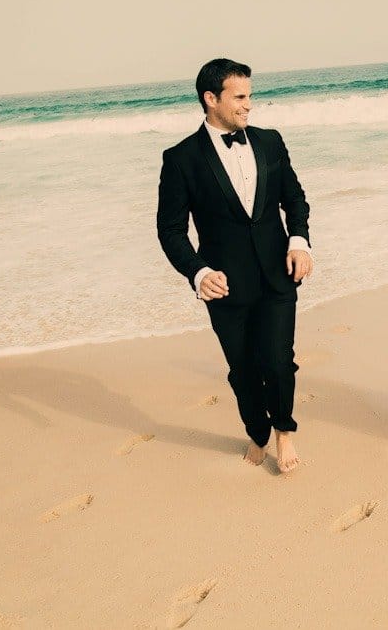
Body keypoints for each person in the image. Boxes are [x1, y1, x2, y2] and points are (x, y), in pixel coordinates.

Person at [157, 58, 313, 473]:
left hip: (278, 275)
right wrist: (198, 272)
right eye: (240, 97)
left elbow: (294, 200)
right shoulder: (180, 159)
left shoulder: (270, 142)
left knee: (279, 362)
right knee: (242, 371)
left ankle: (283, 431)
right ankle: (257, 433)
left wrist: (299, 242)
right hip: (224, 286)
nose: (249, 105)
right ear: (211, 99)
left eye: (250, 95)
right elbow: (170, 230)